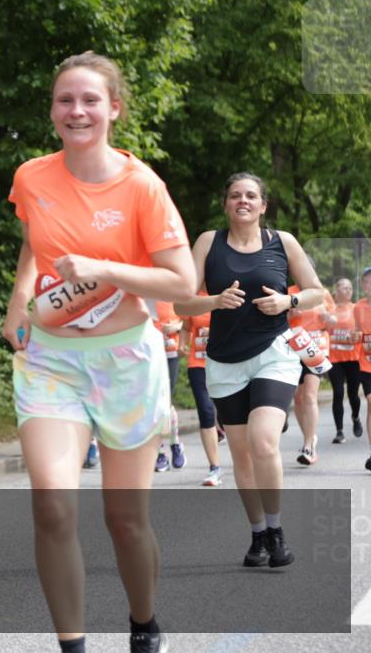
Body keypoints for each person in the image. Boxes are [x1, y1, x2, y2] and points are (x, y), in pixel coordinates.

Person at [3, 51, 195, 653]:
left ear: (114, 108)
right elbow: (34, 244)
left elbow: (181, 282)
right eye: (65, 100)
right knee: (53, 507)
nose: (77, 110)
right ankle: (73, 646)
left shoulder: (142, 187)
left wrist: (104, 269)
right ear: (52, 110)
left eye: (90, 99)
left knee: (125, 520)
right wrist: (18, 303)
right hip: (52, 362)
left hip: (126, 363)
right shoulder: (32, 177)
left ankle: (144, 622)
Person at [174, 171, 324, 572]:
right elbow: (181, 304)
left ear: (263, 205)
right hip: (224, 361)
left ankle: (276, 530)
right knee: (241, 453)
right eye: (236, 195)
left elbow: (316, 291)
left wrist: (288, 302)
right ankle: (257, 533)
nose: (243, 200)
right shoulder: (209, 242)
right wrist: (213, 300)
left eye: (251, 195)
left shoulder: (282, 242)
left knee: (263, 443)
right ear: (226, 204)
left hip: (274, 353)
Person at [179, 292, 224, 486]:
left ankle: (220, 426)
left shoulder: (225, 292)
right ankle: (215, 468)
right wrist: (182, 343)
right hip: (198, 364)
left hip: (224, 363)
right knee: (206, 411)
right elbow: (186, 326)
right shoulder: (193, 298)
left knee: (228, 410)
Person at [286, 282, 334, 464]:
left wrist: (329, 319)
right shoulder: (289, 292)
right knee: (298, 398)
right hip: (295, 345)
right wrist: (290, 315)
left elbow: (334, 319)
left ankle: (308, 447)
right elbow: (279, 321)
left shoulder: (322, 292)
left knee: (309, 395)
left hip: (315, 347)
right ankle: (309, 436)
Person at [327, 277, 364, 443]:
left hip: (354, 358)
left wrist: (359, 335)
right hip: (334, 359)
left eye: (350, 288)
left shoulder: (356, 309)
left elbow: (365, 329)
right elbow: (322, 328)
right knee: (338, 393)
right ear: (336, 290)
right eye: (344, 287)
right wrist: (325, 322)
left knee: (353, 394)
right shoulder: (330, 309)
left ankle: (355, 417)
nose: (348, 290)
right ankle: (339, 432)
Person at [152, 301, 184, 472]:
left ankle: (175, 444)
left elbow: (189, 321)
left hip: (170, 353)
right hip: (148, 355)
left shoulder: (173, 293)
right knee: (153, 405)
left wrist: (177, 327)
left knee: (166, 403)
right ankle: (160, 452)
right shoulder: (142, 294)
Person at [354, 265, 371, 471]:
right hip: (366, 363)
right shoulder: (358, 307)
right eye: (368, 281)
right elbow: (356, 332)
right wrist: (355, 336)